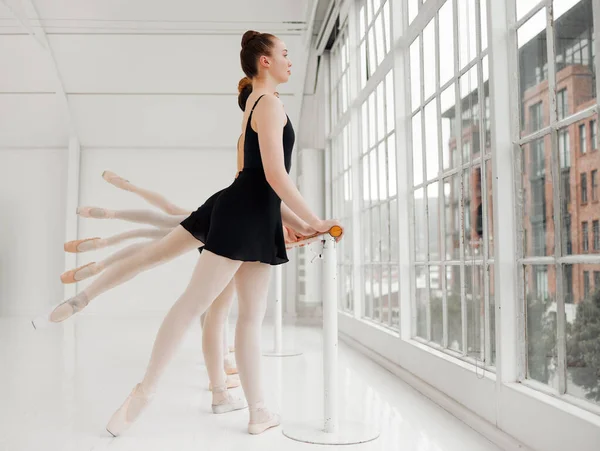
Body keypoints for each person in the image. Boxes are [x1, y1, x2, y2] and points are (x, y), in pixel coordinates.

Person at [103, 30, 342, 436]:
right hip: (243, 215)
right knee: (196, 305)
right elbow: (274, 176)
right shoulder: (266, 103)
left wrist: (301, 225)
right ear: (264, 61)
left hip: (254, 213)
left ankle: (258, 411)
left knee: (248, 317)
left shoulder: (260, 102)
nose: (290, 60)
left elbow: (262, 184)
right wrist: (315, 219)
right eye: (284, 53)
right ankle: (146, 390)